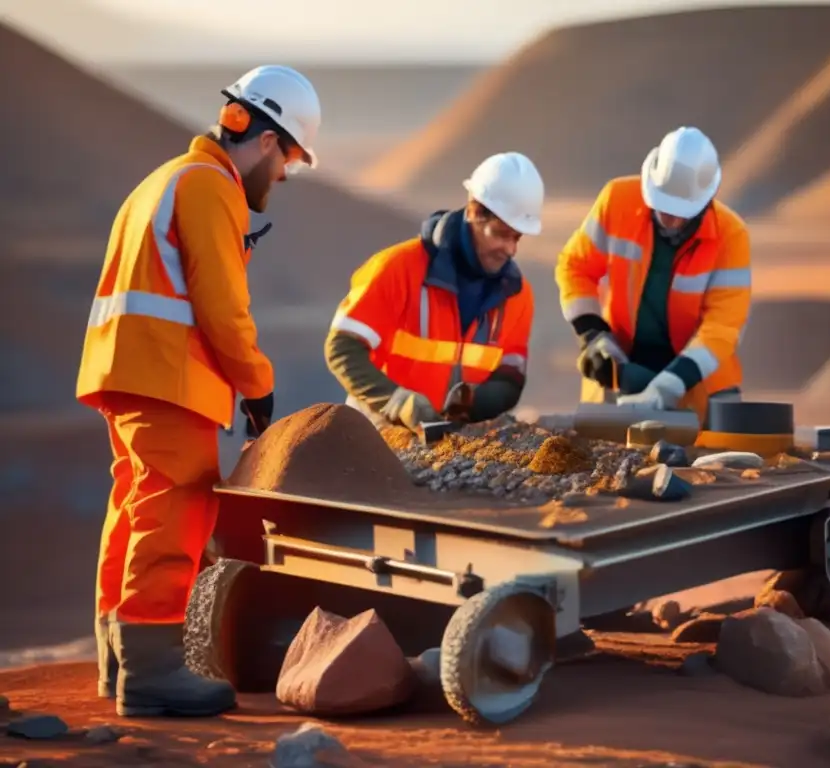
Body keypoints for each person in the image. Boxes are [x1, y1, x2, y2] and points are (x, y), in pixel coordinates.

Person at [75, 65, 322, 717]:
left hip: (126, 373)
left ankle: (116, 659)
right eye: (292, 155)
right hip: (169, 378)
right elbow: (221, 307)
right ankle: (152, 672)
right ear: (268, 141)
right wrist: (257, 385)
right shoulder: (210, 187)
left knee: (133, 505)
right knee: (175, 507)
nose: (289, 173)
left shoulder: (163, 179)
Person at [325, 152, 542, 430]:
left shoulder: (516, 296)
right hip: (375, 434)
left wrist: (476, 402)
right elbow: (342, 348)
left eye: (517, 237)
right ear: (475, 213)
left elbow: (510, 376)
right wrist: (396, 401)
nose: (510, 249)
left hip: (450, 444)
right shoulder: (398, 268)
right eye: (500, 234)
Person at [554, 126, 751, 425]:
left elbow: (722, 327)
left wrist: (668, 385)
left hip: (697, 379)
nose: (670, 218)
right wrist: (593, 334)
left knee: (711, 462)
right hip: (623, 372)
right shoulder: (616, 200)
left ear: (705, 201)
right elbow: (575, 266)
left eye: (681, 211)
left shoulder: (731, 236)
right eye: (663, 207)